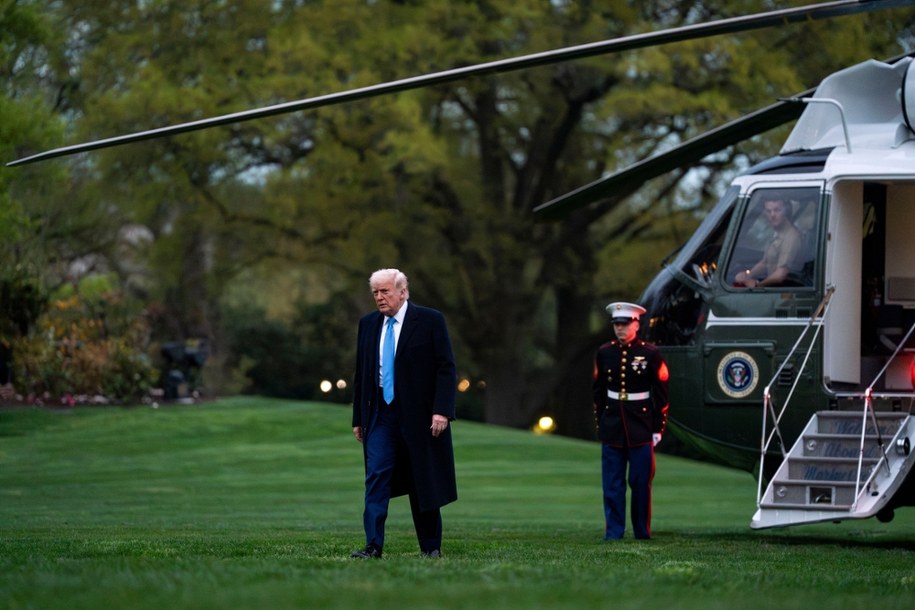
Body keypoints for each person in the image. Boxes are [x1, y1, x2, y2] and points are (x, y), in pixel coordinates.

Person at [350, 268, 458, 559]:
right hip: (380, 417)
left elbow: (446, 368)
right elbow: (362, 373)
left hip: (420, 417)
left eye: (385, 291)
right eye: (375, 292)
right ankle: (373, 545)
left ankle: (431, 547)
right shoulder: (369, 324)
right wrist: (358, 418)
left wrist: (442, 411)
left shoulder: (429, 320)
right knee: (376, 477)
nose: (380, 297)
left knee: (423, 480)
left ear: (403, 291)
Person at [593, 302, 669, 540]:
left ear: (636, 324)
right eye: (616, 324)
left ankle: (641, 531)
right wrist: (601, 422)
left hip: (641, 426)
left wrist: (658, 427)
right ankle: (614, 531)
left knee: (640, 483)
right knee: (612, 484)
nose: (620, 329)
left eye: (625, 324)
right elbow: (598, 392)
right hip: (613, 425)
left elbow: (661, 393)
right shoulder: (605, 352)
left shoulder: (650, 354)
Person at [734, 197, 803, 288]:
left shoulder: (791, 237)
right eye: (768, 211)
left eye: (777, 210)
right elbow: (765, 263)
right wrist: (748, 275)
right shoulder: (777, 232)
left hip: (783, 292)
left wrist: (757, 285)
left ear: (787, 211)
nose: (772, 215)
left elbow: (781, 274)